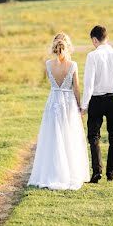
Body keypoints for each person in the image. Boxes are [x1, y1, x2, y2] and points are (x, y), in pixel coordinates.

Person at [27, 33, 91, 190]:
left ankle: (52, 172)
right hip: (68, 103)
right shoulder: (73, 65)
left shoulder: (48, 64)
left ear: (54, 47)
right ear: (68, 47)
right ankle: (69, 173)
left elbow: (51, 82)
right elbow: (76, 88)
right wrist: (79, 106)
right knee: (69, 136)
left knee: (53, 137)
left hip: (53, 101)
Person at [80, 25, 113, 183]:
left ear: (95, 40)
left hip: (96, 100)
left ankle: (97, 172)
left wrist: (84, 106)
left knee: (93, 136)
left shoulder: (92, 56)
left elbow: (88, 83)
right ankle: (111, 174)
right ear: (106, 38)